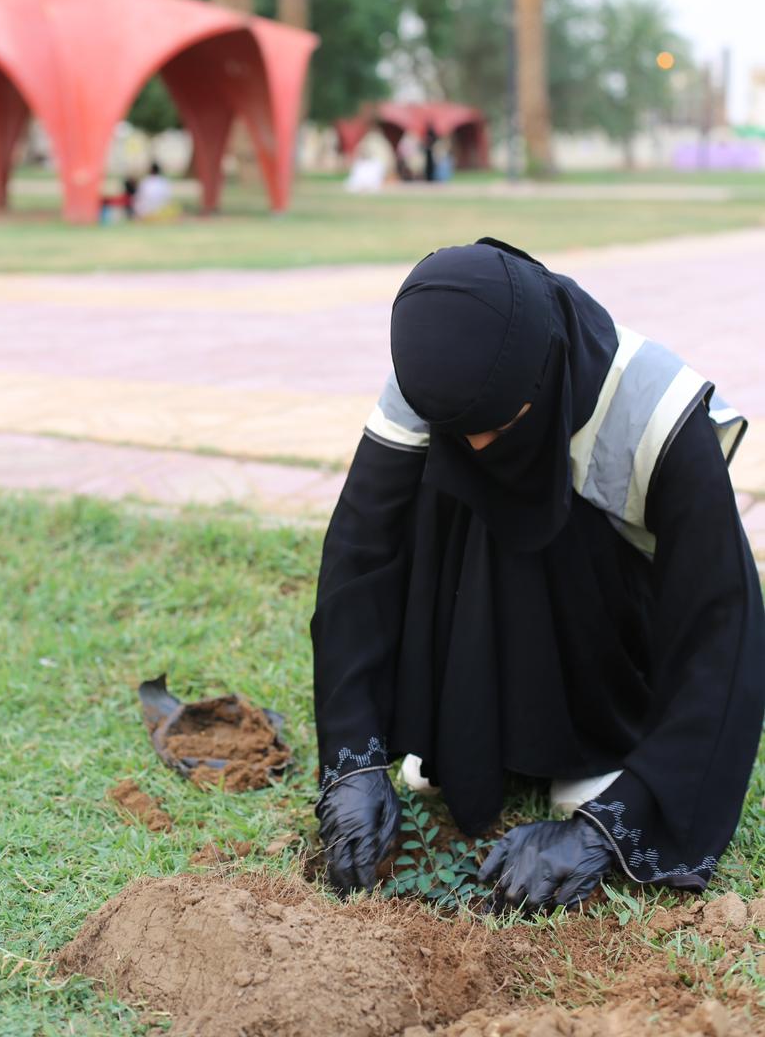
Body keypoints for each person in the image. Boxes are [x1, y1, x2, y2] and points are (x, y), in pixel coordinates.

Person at [312, 238, 764, 910]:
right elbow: (361, 553)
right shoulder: (436, 384)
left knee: (544, 502)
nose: (480, 444)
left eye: (500, 422)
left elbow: (725, 633)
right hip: (474, 651)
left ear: (543, 367)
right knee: (451, 487)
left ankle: (589, 753)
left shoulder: (657, 409)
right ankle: (468, 738)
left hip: (609, 659)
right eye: (462, 428)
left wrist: (609, 829)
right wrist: (352, 760)